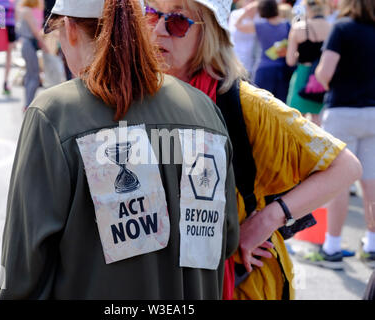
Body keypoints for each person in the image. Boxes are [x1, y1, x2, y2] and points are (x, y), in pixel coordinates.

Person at [0, 0, 240, 299]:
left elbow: (23, 266)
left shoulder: (55, 113)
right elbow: (225, 239)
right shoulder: (203, 109)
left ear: (70, 29)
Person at [147, 0, 362, 299]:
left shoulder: (246, 103)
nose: (158, 29)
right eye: (151, 13)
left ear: (209, 34)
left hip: (238, 284)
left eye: (178, 21)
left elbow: (346, 167)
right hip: (160, 282)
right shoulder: (138, 95)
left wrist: (267, 220)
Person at [300, 0, 375, 269]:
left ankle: (331, 246)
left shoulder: (342, 28)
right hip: (373, 111)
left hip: (343, 108)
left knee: (339, 180)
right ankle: (372, 244)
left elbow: (324, 73)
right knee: (371, 181)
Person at [236, 0, 292, 102]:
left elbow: (238, 25)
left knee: (260, 103)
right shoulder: (287, 25)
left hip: (264, 69)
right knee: (282, 106)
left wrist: (248, 9)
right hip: (282, 70)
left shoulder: (260, 25)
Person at [286, 0, 331, 124]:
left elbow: (290, 61)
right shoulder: (332, 27)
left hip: (303, 75)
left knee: (297, 119)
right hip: (322, 76)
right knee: (317, 120)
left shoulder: (298, 27)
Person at [17, 0, 49, 111]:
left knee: (30, 75)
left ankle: (27, 103)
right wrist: (45, 45)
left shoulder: (24, 10)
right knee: (34, 75)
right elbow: (35, 31)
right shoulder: (27, 11)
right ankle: (28, 104)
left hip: (27, 45)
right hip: (29, 44)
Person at [228, 0, 257, 78]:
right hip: (236, 61)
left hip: (254, 63)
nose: (250, 3)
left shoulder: (260, 15)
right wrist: (246, 12)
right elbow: (234, 31)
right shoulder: (235, 14)